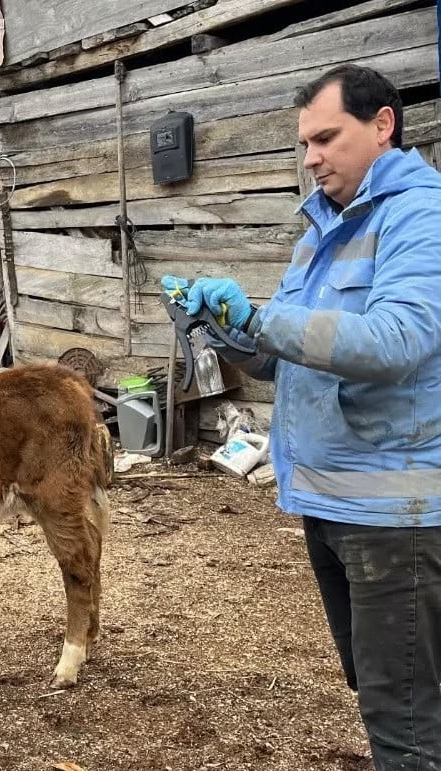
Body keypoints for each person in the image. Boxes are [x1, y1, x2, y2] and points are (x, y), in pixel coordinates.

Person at [162, 64, 441, 770]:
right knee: (386, 689)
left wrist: (264, 316)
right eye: (303, 143)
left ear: (382, 125)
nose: (310, 156)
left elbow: (396, 341)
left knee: (404, 719)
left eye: (325, 137)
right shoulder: (319, 226)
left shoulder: (421, 215)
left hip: (395, 515)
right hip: (328, 501)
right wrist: (224, 329)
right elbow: (284, 360)